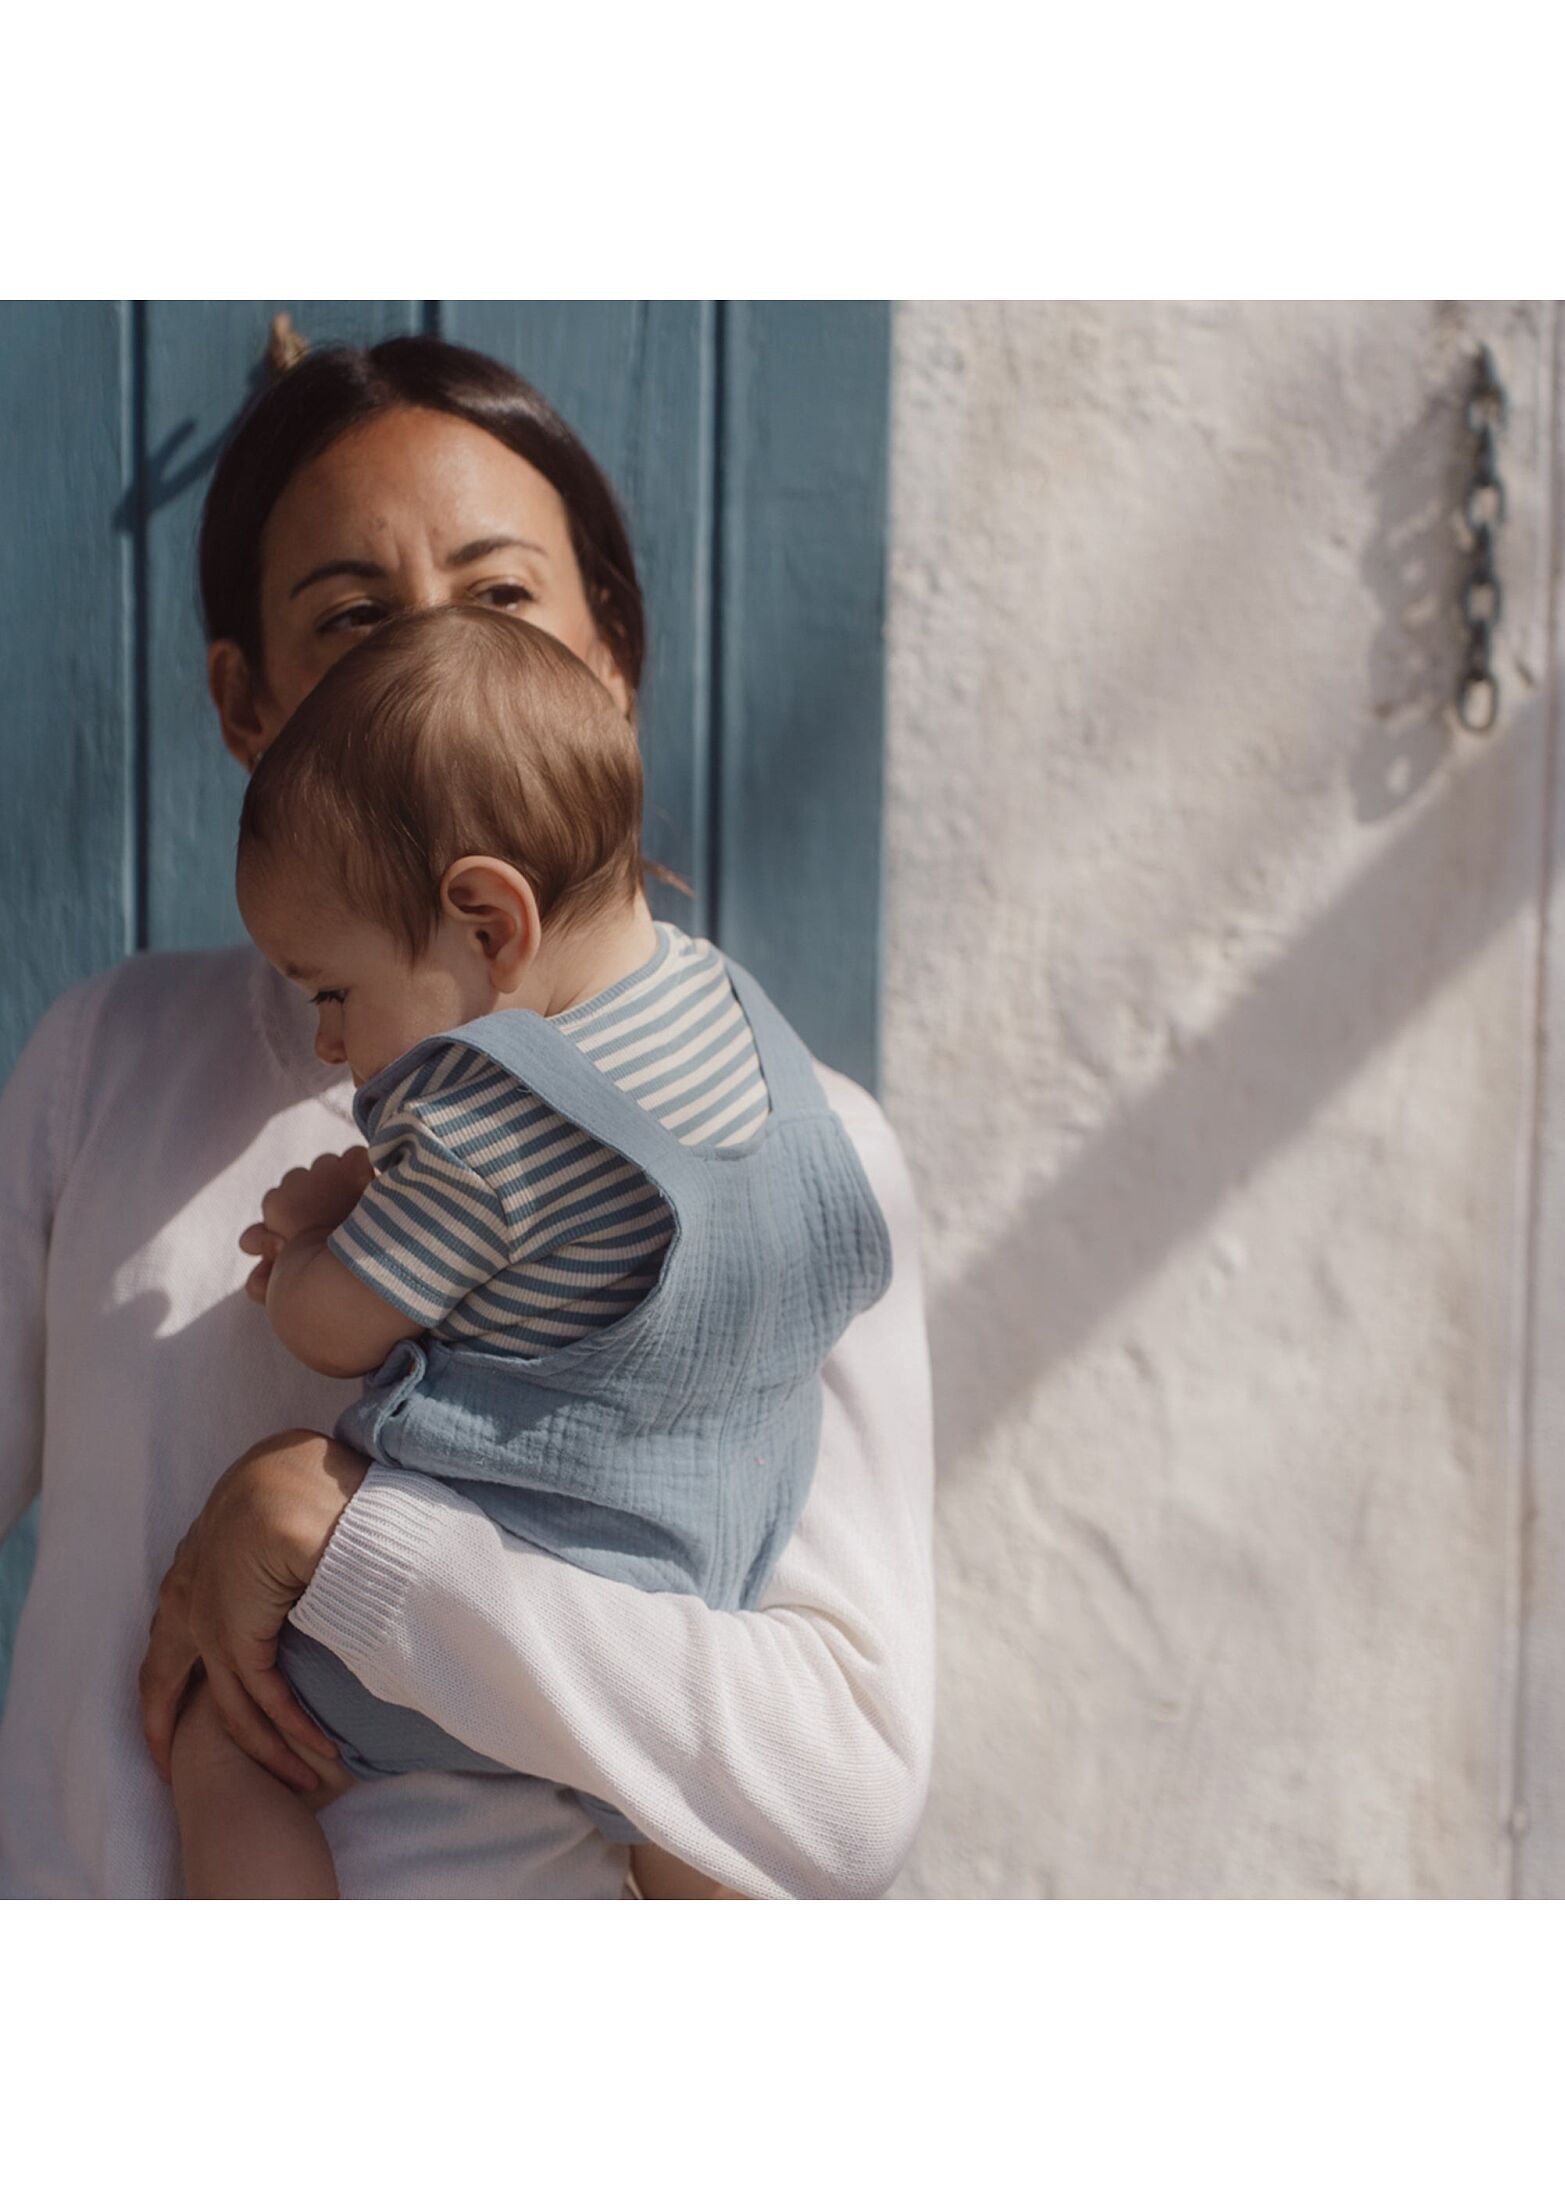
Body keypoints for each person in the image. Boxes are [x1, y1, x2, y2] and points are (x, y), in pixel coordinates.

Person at [0, 331, 934, 1900]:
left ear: (611, 661)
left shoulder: (798, 1144)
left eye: (502, 601)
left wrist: (344, 1540)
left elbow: (841, 1794)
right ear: (248, 707)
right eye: (353, 620)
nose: (431, 664)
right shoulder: (111, 1061)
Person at [172, 604, 893, 1898]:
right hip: (694, 1604)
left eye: (333, 990)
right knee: (701, 1829)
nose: (330, 1042)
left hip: (487, 1600)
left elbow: (336, 1328)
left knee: (220, 1742)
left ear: (489, 926)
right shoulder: (745, 1029)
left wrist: (308, 1236)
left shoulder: (483, 1116)